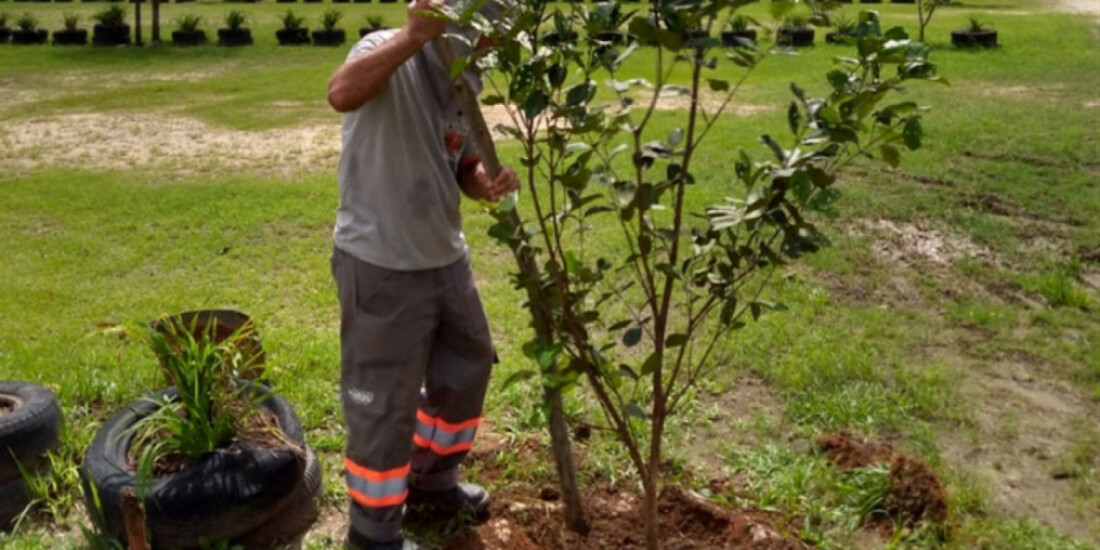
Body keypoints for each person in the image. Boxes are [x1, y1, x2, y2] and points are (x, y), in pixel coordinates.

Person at [326, 1, 518, 549]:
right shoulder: (387, 50)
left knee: (468, 367)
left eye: (495, 39)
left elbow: (460, 162)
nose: (490, 48)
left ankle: (432, 479)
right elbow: (341, 93)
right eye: (484, 35)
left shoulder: (464, 81)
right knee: (383, 402)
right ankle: (372, 532)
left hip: (444, 258)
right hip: (381, 263)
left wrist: (484, 184)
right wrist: (413, 36)